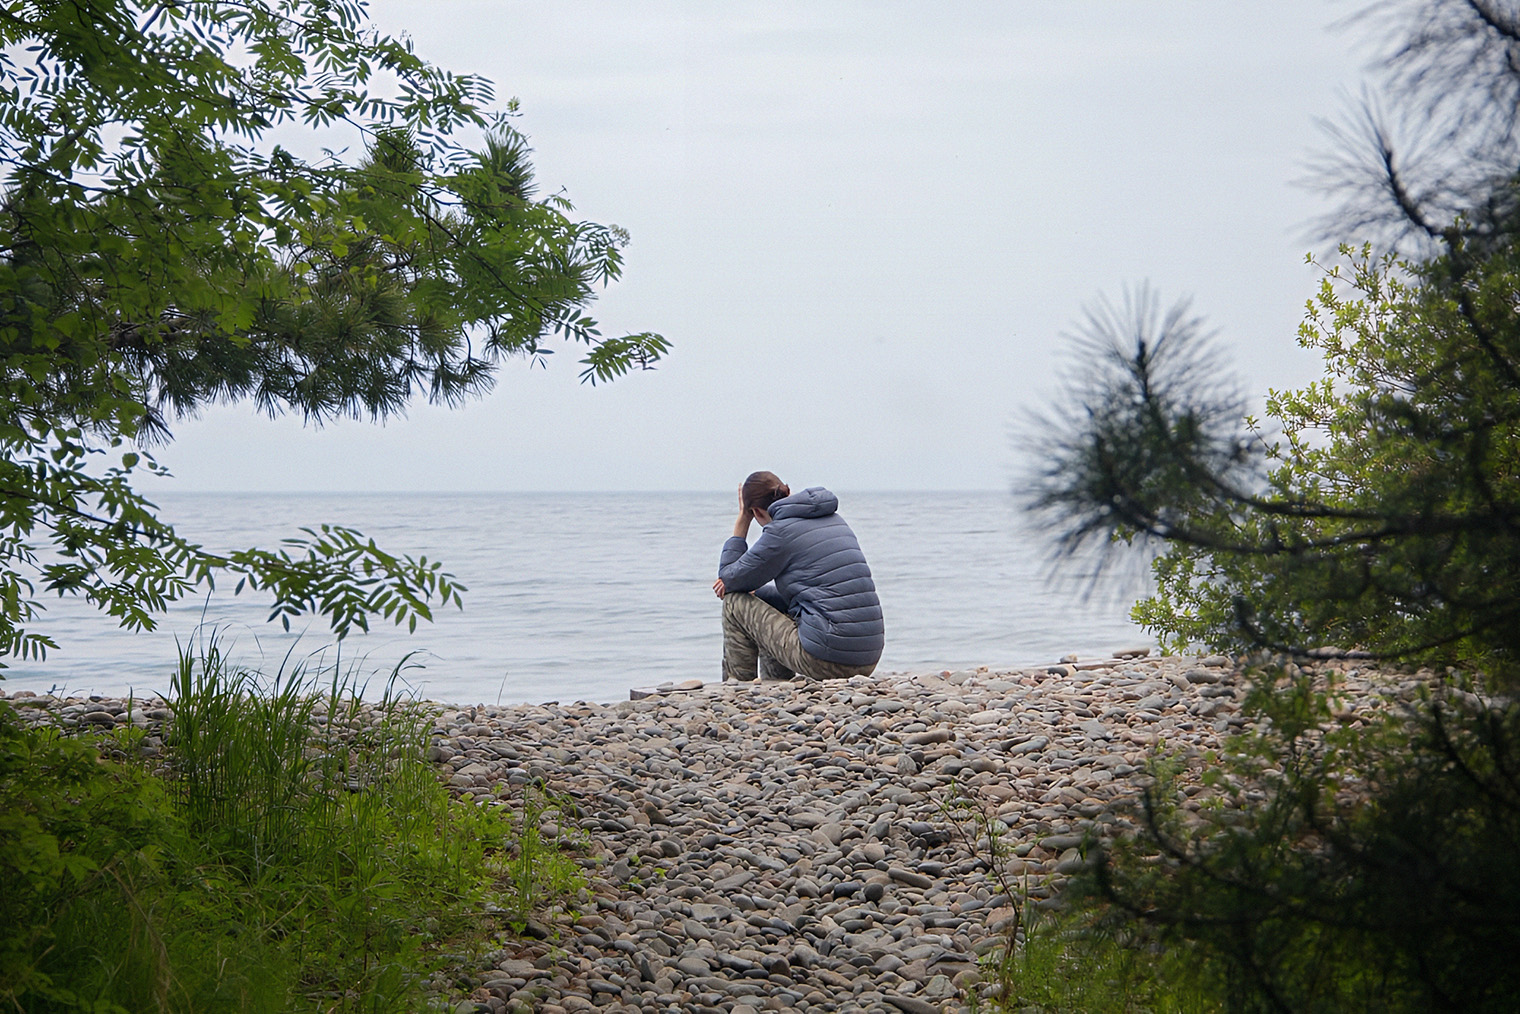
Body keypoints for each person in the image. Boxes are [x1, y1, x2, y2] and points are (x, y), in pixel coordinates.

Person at [712, 471, 884, 681]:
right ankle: (776, 685)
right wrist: (757, 592)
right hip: (868, 658)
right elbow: (811, 594)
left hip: (828, 661)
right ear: (788, 492)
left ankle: (738, 687)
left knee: (734, 603)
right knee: (765, 599)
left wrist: (742, 523)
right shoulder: (834, 519)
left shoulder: (780, 532)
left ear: (755, 511)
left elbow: (728, 580)